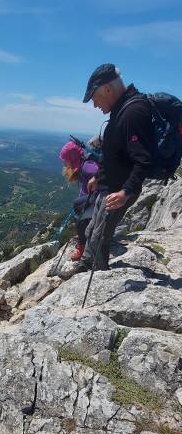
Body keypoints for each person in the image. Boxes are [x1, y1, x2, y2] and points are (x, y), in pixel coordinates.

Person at [60, 64, 156, 280]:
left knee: (99, 235)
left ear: (107, 89)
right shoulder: (121, 111)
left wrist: (126, 193)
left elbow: (143, 160)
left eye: (95, 97)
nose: (95, 104)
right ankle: (91, 267)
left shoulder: (133, 112)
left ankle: (94, 274)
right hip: (108, 186)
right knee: (92, 229)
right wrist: (98, 176)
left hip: (118, 191)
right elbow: (113, 154)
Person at [59, 139, 100, 261]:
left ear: (73, 157)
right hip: (90, 198)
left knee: (80, 220)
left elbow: (100, 176)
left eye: (66, 159)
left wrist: (88, 200)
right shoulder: (83, 164)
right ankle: (85, 236)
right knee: (80, 213)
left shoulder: (89, 167)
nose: (65, 163)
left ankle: (82, 246)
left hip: (96, 199)